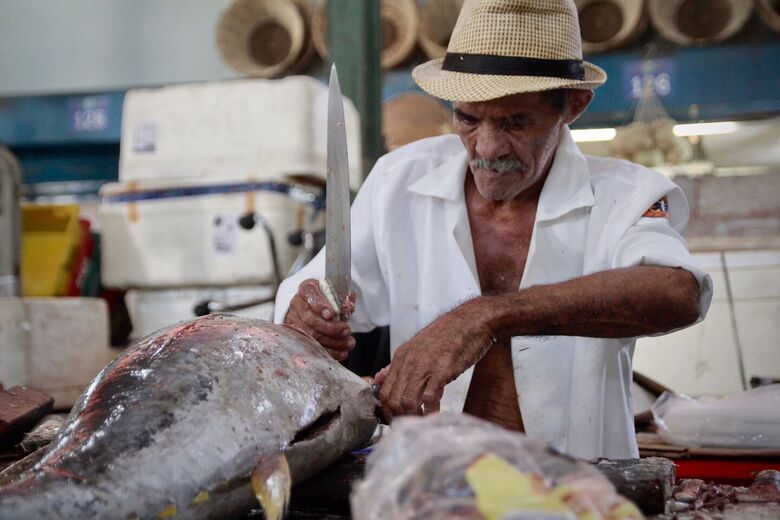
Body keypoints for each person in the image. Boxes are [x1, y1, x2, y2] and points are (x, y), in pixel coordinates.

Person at [274, 0, 712, 460]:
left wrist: (483, 318)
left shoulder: (627, 196)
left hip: (577, 495)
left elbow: (678, 292)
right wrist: (307, 314)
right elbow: (319, 289)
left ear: (573, 106)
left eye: (515, 122)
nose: (486, 147)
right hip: (429, 489)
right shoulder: (398, 182)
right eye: (468, 118)